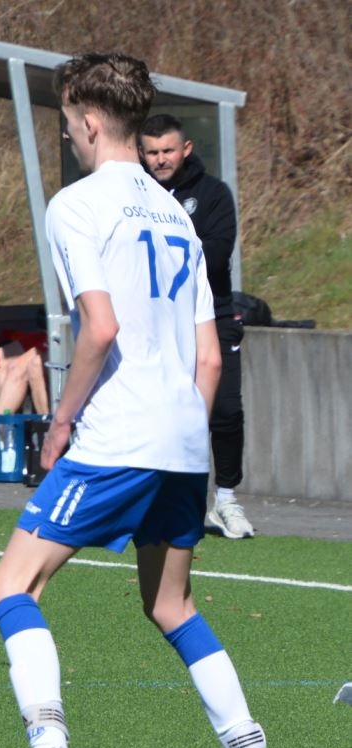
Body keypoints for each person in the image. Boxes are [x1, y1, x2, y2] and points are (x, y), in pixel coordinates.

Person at [0, 53, 291, 748]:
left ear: (86, 120)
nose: (67, 135)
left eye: (66, 123)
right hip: (182, 438)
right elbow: (209, 359)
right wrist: (182, 442)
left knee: (9, 588)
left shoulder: (76, 205)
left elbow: (99, 327)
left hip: (118, 436)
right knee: (172, 605)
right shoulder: (176, 213)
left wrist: (62, 421)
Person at [139, 114, 253, 540]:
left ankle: (226, 499)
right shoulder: (136, 196)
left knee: (224, 410)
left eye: (168, 150)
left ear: (185, 149)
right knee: (162, 410)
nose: (160, 159)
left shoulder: (213, 194)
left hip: (213, 316)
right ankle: (165, 498)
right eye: (152, 152)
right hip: (157, 319)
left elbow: (216, 256)